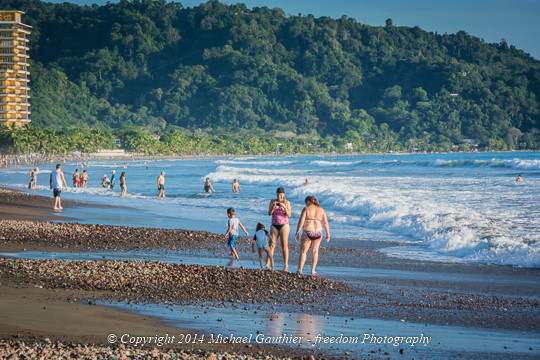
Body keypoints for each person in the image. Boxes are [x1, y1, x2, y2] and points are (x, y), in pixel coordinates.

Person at [294, 195, 330, 275]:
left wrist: (297, 232)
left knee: (303, 251)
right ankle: (313, 270)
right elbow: (325, 222)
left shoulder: (306, 209)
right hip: (318, 232)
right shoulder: (321, 210)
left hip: (308, 232)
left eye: (305, 203)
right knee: (315, 251)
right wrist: (328, 233)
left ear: (308, 201)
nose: (305, 205)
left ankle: (300, 269)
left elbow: (301, 222)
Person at [268, 187, 292, 271]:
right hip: (274, 224)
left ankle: (286, 264)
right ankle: (268, 263)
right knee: (272, 244)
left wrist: (284, 207)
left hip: (284, 225)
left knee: (284, 245)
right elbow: (269, 213)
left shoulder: (287, 202)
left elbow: (289, 215)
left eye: (281, 195)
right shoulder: (272, 201)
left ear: (284, 195)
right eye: (278, 195)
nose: (279, 197)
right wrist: (273, 207)